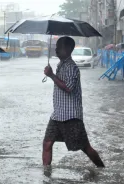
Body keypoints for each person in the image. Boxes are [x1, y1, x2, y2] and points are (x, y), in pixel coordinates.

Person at [43, 36, 105, 167]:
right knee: (47, 143)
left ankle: (101, 168)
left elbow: (68, 88)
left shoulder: (72, 67)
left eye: (59, 46)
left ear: (68, 49)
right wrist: (52, 74)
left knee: (85, 147)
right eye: (56, 46)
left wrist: (51, 75)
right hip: (57, 115)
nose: (56, 49)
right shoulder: (61, 65)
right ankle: (46, 175)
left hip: (71, 117)